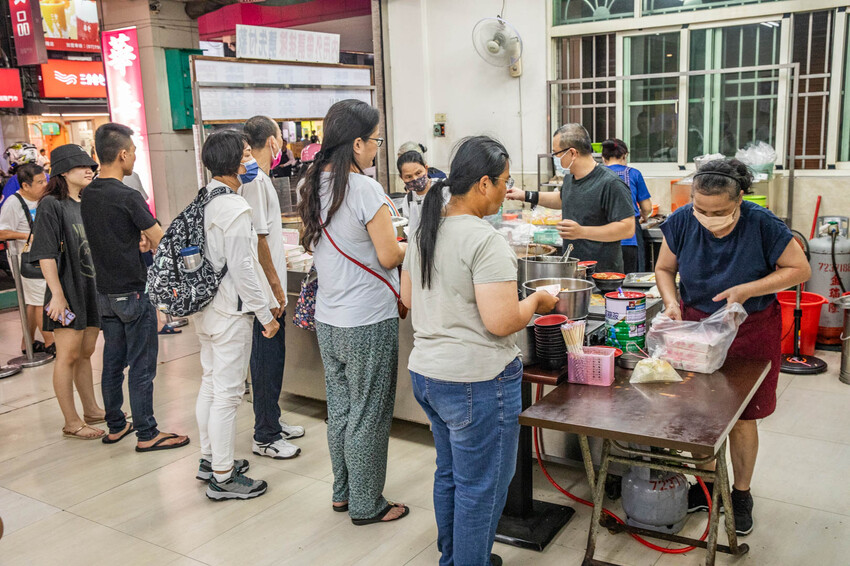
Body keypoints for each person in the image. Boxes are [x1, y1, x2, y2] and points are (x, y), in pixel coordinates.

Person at [401, 136, 559, 566]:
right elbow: (501, 321)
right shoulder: (485, 240)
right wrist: (538, 300)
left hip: (428, 375)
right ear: (484, 183)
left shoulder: (425, 229)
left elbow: (409, 298)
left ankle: (454, 558)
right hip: (476, 380)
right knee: (482, 488)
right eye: (505, 182)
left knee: (451, 475)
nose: (508, 191)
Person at [655, 159, 811, 536]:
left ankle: (740, 495)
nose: (709, 219)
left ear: (740, 198)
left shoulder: (762, 224)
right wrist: (672, 303)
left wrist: (747, 290)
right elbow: (664, 269)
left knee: (743, 417)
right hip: (696, 330)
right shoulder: (682, 221)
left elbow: (800, 269)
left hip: (749, 328)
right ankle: (709, 485)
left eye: (719, 212)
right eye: (701, 209)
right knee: (696, 414)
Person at [298, 99, 409, 525]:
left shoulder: (312, 183)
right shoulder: (364, 189)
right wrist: (413, 246)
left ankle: (343, 492)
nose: (378, 148)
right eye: (376, 140)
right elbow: (388, 254)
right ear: (358, 143)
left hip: (330, 318)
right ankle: (367, 504)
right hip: (367, 320)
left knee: (343, 409)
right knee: (369, 413)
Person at [80, 123, 190, 451]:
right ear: (122, 154)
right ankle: (147, 433)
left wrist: (136, 241)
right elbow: (160, 239)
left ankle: (116, 426)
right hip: (133, 290)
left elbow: (113, 235)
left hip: (105, 292)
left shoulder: (89, 194)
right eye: (134, 152)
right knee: (142, 364)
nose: (135, 158)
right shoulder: (128, 196)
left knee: (113, 363)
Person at [195, 130, 280, 500]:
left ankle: (209, 459)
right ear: (232, 162)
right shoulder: (233, 207)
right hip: (230, 312)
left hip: (206, 309)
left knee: (211, 384)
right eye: (246, 153)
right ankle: (223, 476)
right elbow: (244, 268)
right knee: (228, 395)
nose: (251, 159)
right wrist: (266, 314)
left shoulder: (205, 197)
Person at [28, 144, 105, 439]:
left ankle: (91, 409)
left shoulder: (86, 201)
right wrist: (57, 295)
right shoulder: (51, 205)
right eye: (81, 166)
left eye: (90, 166)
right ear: (63, 171)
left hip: (90, 286)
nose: (89, 170)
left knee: (86, 352)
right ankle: (71, 421)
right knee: (67, 355)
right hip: (67, 288)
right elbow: (46, 254)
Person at [242, 115, 304, 459]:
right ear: (273, 141)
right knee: (266, 361)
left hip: (268, 288)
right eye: (280, 137)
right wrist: (275, 290)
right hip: (265, 293)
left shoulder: (259, 178)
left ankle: (273, 421)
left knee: (274, 359)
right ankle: (265, 435)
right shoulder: (255, 181)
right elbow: (258, 240)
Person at [506, 123, 635, 272]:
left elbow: (627, 228)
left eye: (556, 153)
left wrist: (582, 231)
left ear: (572, 153)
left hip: (602, 274)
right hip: (573, 269)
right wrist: (525, 195)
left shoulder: (610, 183)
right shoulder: (570, 178)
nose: (555, 158)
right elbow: (562, 199)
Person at [0, 163, 55, 355]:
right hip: (26, 262)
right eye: (40, 182)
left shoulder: (43, 200)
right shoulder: (13, 203)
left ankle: (28, 343)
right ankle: (50, 343)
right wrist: (28, 236)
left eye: (44, 180)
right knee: (40, 301)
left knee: (33, 302)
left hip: (43, 257)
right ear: (25, 185)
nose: (44, 185)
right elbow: (2, 232)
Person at [602, 138, 652, 273]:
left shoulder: (596, 175)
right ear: (624, 155)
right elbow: (647, 207)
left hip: (603, 236)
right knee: (631, 278)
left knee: (607, 279)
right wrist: (644, 217)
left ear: (603, 158)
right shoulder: (633, 173)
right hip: (629, 235)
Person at [396, 150, 450, 236]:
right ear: (402, 178)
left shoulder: (444, 189)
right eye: (408, 176)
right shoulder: (408, 200)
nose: (415, 178)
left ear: (426, 169)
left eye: (418, 173)